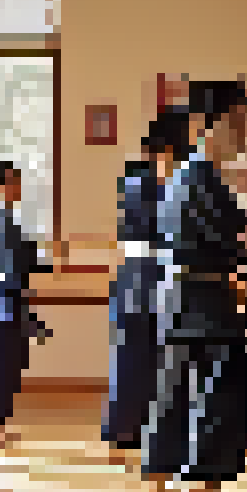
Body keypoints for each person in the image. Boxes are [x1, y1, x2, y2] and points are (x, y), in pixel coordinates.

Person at [145, 80, 247, 492]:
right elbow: (234, 238)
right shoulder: (197, 176)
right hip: (201, 302)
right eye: (237, 123)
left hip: (195, 299)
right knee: (218, 393)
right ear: (208, 124)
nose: (243, 133)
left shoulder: (196, 176)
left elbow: (237, 229)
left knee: (193, 392)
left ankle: (192, 487)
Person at [102, 107, 189, 466]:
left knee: (133, 356)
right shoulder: (164, 183)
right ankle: (142, 430)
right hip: (154, 274)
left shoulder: (133, 177)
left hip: (133, 275)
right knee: (151, 357)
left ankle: (126, 430)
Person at [0, 161, 51, 449]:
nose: (17, 188)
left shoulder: (7, 219)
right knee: (1, 364)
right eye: (12, 182)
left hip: (8, 297)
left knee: (10, 363)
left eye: (18, 182)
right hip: (5, 298)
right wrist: (45, 260)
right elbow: (15, 261)